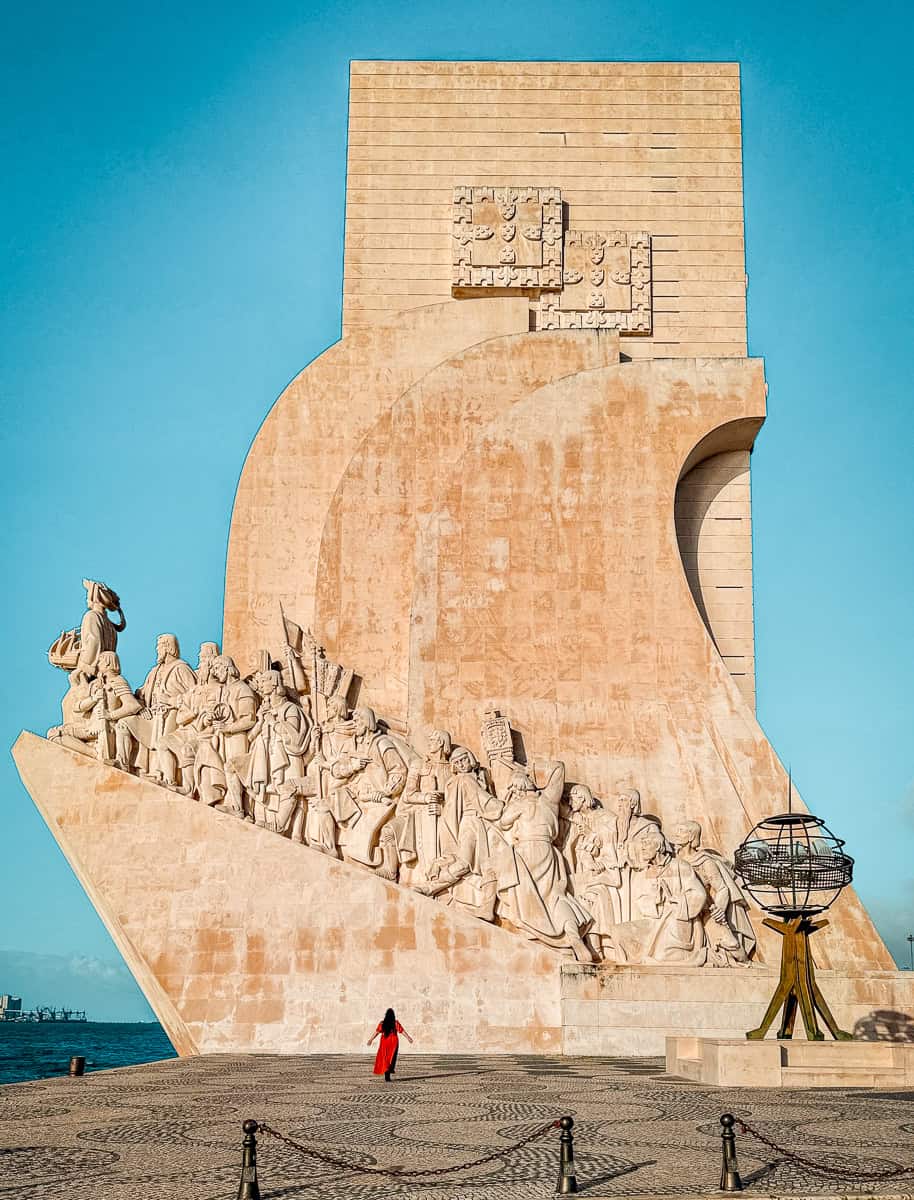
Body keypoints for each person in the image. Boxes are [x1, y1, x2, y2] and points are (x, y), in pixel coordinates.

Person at [367, 1007, 413, 1082]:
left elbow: (377, 1032)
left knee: (385, 1058)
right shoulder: (395, 1023)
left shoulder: (382, 1023)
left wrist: (371, 1040)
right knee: (391, 1058)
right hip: (393, 1043)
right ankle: (388, 1073)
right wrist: (408, 1038)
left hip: (384, 1043)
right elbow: (402, 1031)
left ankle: (386, 1073)